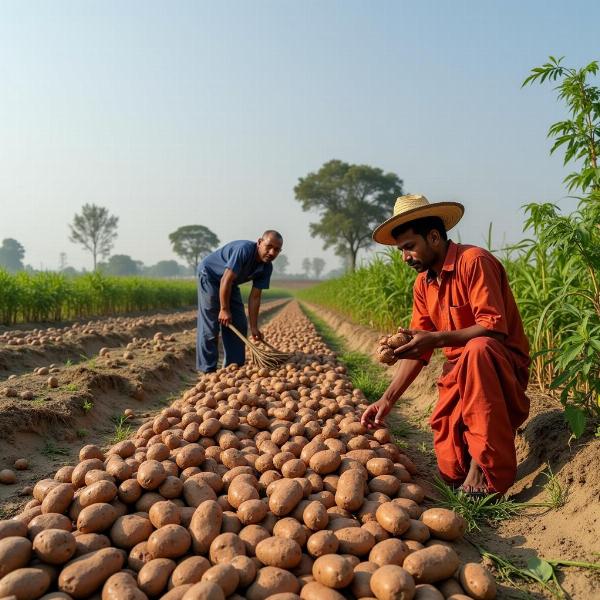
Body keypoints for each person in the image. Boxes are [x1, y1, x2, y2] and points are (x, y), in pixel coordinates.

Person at [361, 195, 530, 495]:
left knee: (479, 349)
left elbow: (494, 331)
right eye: (401, 251)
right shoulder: (423, 284)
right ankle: (467, 463)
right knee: (450, 470)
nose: (405, 257)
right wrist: (387, 399)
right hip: (459, 375)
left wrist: (437, 338)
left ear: (434, 237)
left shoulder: (474, 261)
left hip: (499, 368)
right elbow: (421, 347)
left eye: (409, 247)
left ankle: (483, 468)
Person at [196, 230, 283, 373]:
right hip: (211, 276)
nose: (272, 252)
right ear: (259, 242)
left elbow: (255, 297)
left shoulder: (267, 267)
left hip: (230, 283)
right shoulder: (244, 250)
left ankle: (233, 368)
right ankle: (207, 370)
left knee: (239, 322)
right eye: (269, 246)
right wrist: (224, 309)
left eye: (277, 250)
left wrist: (254, 327)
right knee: (211, 325)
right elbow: (225, 279)